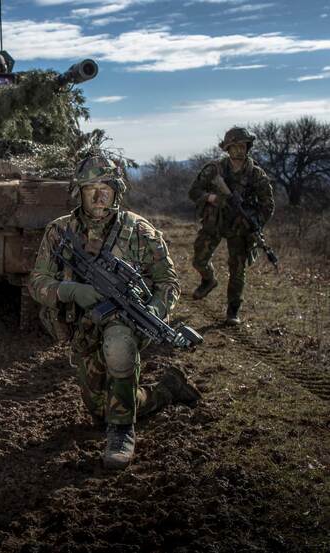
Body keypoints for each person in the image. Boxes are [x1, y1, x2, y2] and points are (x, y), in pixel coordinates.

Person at [28, 153, 201, 470]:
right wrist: (71, 291)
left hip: (126, 323)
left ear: (117, 191)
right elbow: (36, 282)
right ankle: (167, 389)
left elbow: (168, 282)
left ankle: (122, 433)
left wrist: (153, 309)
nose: (98, 195)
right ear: (78, 192)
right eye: (90, 187)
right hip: (83, 328)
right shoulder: (59, 231)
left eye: (105, 187)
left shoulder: (139, 231)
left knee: (119, 343)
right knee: (101, 409)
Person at [189, 126, 275, 325]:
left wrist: (255, 223)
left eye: (243, 146)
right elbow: (193, 192)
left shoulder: (256, 175)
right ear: (227, 148)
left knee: (237, 269)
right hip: (215, 221)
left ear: (248, 147)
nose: (239, 150)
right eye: (234, 146)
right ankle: (208, 279)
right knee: (199, 260)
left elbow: (268, 204)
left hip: (240, 227)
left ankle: (233, 310)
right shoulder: (214, 169)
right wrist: (210, 197)